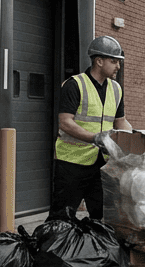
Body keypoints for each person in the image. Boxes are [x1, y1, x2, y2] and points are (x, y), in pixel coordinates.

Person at [53, 35, 133, 218]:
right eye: (114, 61)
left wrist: (137, 138)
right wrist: (94, 138)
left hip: (102, 163)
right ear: (99, 61)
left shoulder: (116, 88)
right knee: (62, 215)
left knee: (101, 215)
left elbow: (120, 121)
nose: (118, 67)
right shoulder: (75, 85)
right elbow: (65, 122)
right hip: (72, 162)